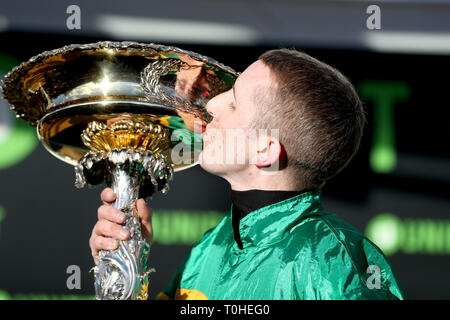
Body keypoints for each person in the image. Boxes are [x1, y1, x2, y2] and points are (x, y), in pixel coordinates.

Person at [89, 49, 405, 300]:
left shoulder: (331, 262)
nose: (211, 104)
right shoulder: (213, 244)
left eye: (234, 103)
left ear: (265, 151)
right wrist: (125, 267)